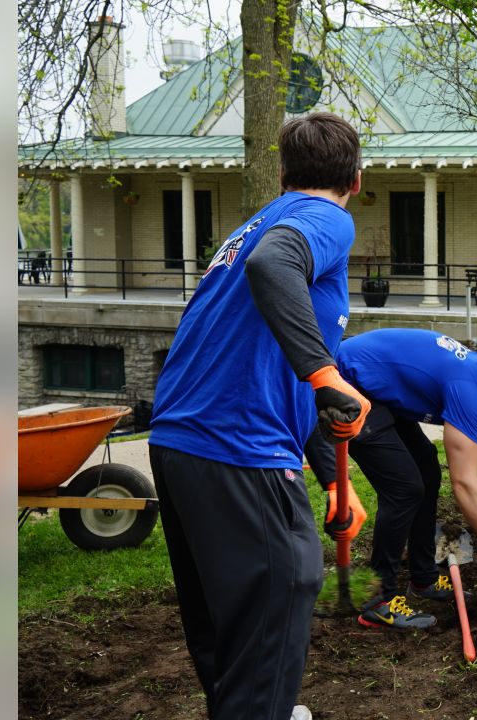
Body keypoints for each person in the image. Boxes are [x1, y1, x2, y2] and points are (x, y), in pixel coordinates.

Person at [148, 112, 372, 720]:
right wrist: (327, 376)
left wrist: (332, 480)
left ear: (280, 172)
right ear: (354, 178)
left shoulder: (252, 225)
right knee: (286, 584)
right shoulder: (326, 217)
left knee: (229, 616)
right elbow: (274, 267)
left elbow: (278, 372)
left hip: (178, 440)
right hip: (235, 445)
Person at [317, 328, 477, 629]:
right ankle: (377, 602)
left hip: (380, 392)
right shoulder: (467, 387)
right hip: (344, 384)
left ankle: (423, 578)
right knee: (404, 488)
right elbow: (465, 483)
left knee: (427, 471)